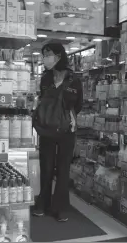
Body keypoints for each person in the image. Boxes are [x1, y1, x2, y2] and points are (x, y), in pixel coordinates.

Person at [32, 43, 83, 222]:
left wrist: (64, 117)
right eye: (44, 55)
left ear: (59, 56)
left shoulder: (74, 79)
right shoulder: (45, 79)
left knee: (63, 169)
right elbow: (42, 101)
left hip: (66, 131)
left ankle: (60, 207)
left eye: (48, 54)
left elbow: (79, 105)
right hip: (46, 129)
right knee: (46, 167)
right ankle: (42, 203)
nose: (45, 59)